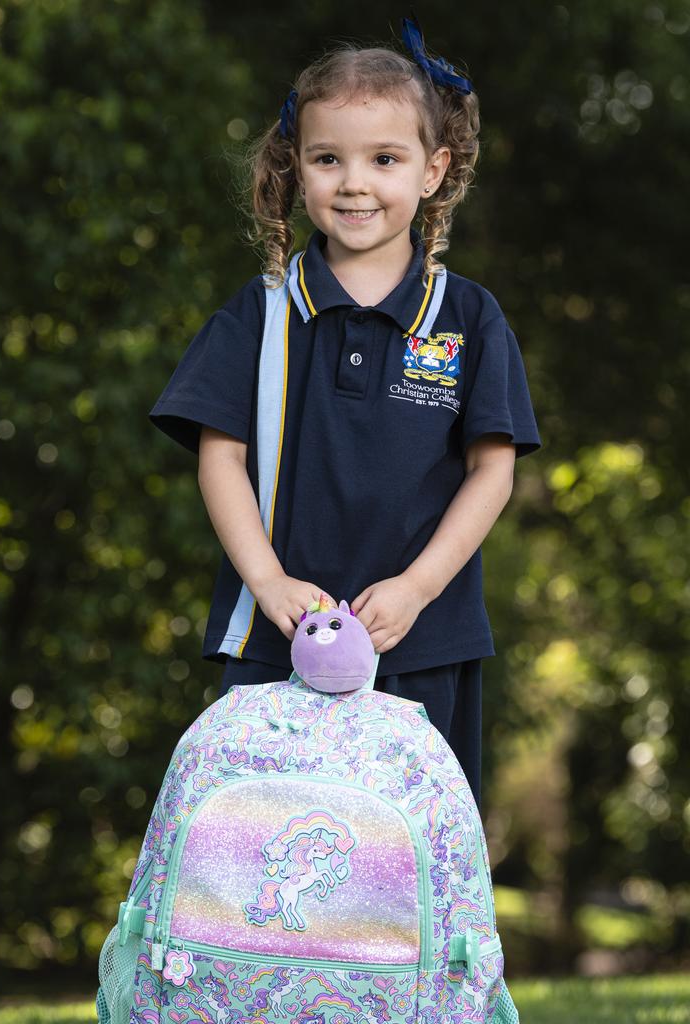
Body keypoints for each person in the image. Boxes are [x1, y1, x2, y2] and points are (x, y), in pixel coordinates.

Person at [148, 18, 541, 810]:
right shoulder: (258, 315)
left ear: (434, 171)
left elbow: (492, 470)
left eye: (385, 159)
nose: (354, 183)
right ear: (298, 168)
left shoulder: (469, 315)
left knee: (405, 879)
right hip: (276, 641)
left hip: (421, 638)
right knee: (256, 869)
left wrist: (419, 588)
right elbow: (218, 457)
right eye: (329, 158)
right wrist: (266, 581)